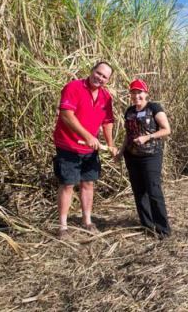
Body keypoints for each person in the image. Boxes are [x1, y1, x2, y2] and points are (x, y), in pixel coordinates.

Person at [52, 61, 118, 239]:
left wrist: (110, 144)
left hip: (90, 149)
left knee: (88, 183)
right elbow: (66, 115)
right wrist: (88, 136)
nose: (100, 78)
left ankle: (87, 220)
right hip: (69, 145)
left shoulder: (106, 96)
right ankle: (63, 226)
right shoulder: (73, 87)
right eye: (98, 73)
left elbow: (107, 122)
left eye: (105, 76)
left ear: (108, 80)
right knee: (67, 184)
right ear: (91, 71)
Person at [117, 79, 172, 238]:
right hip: (132, 156)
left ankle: (163, 229)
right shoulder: (129, 111)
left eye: (139, 92)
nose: (136, 96)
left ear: (146, 93)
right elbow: (128, 135)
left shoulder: (154, 108)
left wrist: (147, 137)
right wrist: (121, 152)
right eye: (133, 92)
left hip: (151, 155)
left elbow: (166, 130)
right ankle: (147, 225)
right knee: (139, 191)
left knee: (153, 190)